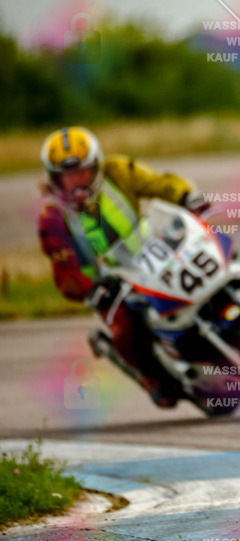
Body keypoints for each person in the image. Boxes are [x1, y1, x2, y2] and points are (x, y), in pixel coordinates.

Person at [38, 126, 209, 406]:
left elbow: (159, 183)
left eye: (82, 171)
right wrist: (86, 288)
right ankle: (153, 377)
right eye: (67, 176)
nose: (76, 181)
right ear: (54, 179)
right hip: (110, 287)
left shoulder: (118, 172)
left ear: (96, 166)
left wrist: (186, 197)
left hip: (157, 255)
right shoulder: (52, 216)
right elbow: (64, 268)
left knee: (210, 266)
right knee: (127, 334)